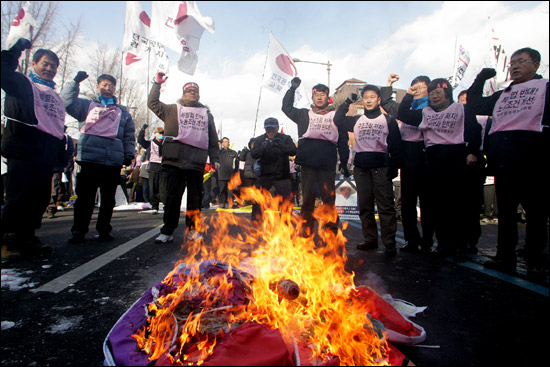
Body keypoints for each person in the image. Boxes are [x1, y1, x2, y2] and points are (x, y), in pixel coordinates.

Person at [467, 47, 549, 278]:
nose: (514, 66)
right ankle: (504, 255)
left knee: (536, 214)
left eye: (521, 61)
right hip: (504, 161)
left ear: (535, 64)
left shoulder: (545, 88)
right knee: (506, 213)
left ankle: (535, 259)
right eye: (512, 62)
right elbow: (474, 105)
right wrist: (481, 78)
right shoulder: (502, 95)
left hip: (534, 161)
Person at [398, 78, 482, 262]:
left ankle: (461, 245)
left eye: (438, 92)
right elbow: (403, 113)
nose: (434, 96)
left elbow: (474, 130)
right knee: (438, 207)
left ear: (447, 93)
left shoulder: (461, 109)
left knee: (457, 206)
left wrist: (473, 151)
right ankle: (444, 244)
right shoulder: (425, 113)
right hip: (433, 160)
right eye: (432, 93)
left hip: (456, 158)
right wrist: (410, 94)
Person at [1, 40, 67, 260]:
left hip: (45, 152)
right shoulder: (22, 83)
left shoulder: (55, 95)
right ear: (34, 63)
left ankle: (27, 237)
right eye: (45, 64)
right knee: (19, 196)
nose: (49, 69)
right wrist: (15, 50)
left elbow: (57, 125)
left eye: (53, 66)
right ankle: (9, 240)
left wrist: (60, 154)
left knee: (39, 198)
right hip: (23, 147)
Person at [61, 72, 136, 244]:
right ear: (97, 87)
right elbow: (66, 102)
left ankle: (104, 229)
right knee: (85, 198)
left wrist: (128, 154)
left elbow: (129, 135)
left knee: (108, 199)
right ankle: (79, 231)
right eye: (104, 84)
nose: (108, 88)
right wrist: (74, 83)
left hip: (113, 160)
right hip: (90, 158)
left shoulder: (122, 112)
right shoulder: (87, 105)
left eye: (111, 85)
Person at [148, 73, 220, 243]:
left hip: (196, 162)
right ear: (183, 94)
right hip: (174, 161)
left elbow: (212, 138)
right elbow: (152, 103)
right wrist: (157, 84)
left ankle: (193, 230)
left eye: (195, 91)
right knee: (173, 197)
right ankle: (167, 231)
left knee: (195, 198)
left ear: (199, 95)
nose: (192, 93)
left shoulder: (206, 114)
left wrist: (214, 157)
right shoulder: (171, 110)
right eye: (189, 91)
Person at [335, 85, 403, 257]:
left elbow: (396, 145)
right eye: (366, 97)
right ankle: (370, 239)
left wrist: (394, 166)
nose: (369, 100)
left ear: (378, 100)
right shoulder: (357, 120)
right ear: (362, 100)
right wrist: (348, 101)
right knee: (365, 206)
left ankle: (389, 243)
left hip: (381, 166)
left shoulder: (388, 120)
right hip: (362, 167)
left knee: (385, 207)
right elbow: (338, 119)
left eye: (372, 97)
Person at [282, 77, 349, 236]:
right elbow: (286, 107)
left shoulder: (336, 115)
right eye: (316, 95)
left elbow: (343, 139)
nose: (319, 97)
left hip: (327, 163)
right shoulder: (304, 114)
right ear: (312, 98)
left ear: (328, 97)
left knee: (328, 199)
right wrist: (292, 89)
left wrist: (345, 162)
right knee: (308, 199)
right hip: (308, 163)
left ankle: (332, 230)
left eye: (322, 95)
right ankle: (306, 230)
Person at [381, 74, 435, 253]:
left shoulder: (433, 107)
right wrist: (389, 83)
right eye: (414, 87)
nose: (417, 90)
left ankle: (427, 241)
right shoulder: (407, 104)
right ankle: (411, 239)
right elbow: (387, 103)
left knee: (428, 203)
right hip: (407, 157)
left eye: (421, 87)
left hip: (425, 156)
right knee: (407, 204)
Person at [457, 90, 487, 254]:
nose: (465, 104)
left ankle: (471, 241)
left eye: (468, 101)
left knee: (472, 206)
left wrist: (473, 152)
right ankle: (458, 240)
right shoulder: (454, 118)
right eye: (462, 101)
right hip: (456, 164)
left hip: (474, 167)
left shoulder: (483, 120)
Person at [250, 118, 297, 222]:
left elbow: (293, 151)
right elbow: (253, 154)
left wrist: (280, 144)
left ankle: (286, 222)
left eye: (273, 129)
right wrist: (262, 147)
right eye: (268, 129)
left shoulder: (285, 138)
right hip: (265, 175)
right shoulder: (259, 139)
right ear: (265, 129)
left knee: (287, 201)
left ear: (278, 128)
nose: (270, 132)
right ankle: (256, 222)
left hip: (282, 176)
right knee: (258, 200)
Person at [47, 126, 75, 218]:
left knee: (55, 186)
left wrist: (63, 161)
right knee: (51, 186)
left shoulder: (66, 137)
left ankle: (51, 207)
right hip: (48, 163)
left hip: (57, 165)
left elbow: (70, 150)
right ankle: (49, 206)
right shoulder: (48, 133)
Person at [137, 125, 165, 214]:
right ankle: (154, 206)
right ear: (155, 134)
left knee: (163, 188)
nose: (161, 135)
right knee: (153, 188)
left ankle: (165, 204)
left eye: (162, 133)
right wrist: (142, 130)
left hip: (163, 167)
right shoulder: (150, 143)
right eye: (159, 133)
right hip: (153, 166)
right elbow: (140, 140)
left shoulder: (166, 143)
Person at [217, 137, 238, 208]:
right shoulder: (219, 153)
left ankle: (230, 204)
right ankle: (222, 204)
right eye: (225, 142)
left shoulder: (233, 153)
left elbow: (237, 163)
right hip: (221, 175)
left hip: (230, 175)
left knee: (230, 191)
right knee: (222, 191)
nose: (227, 143)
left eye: (228, 141)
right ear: (222, 143)